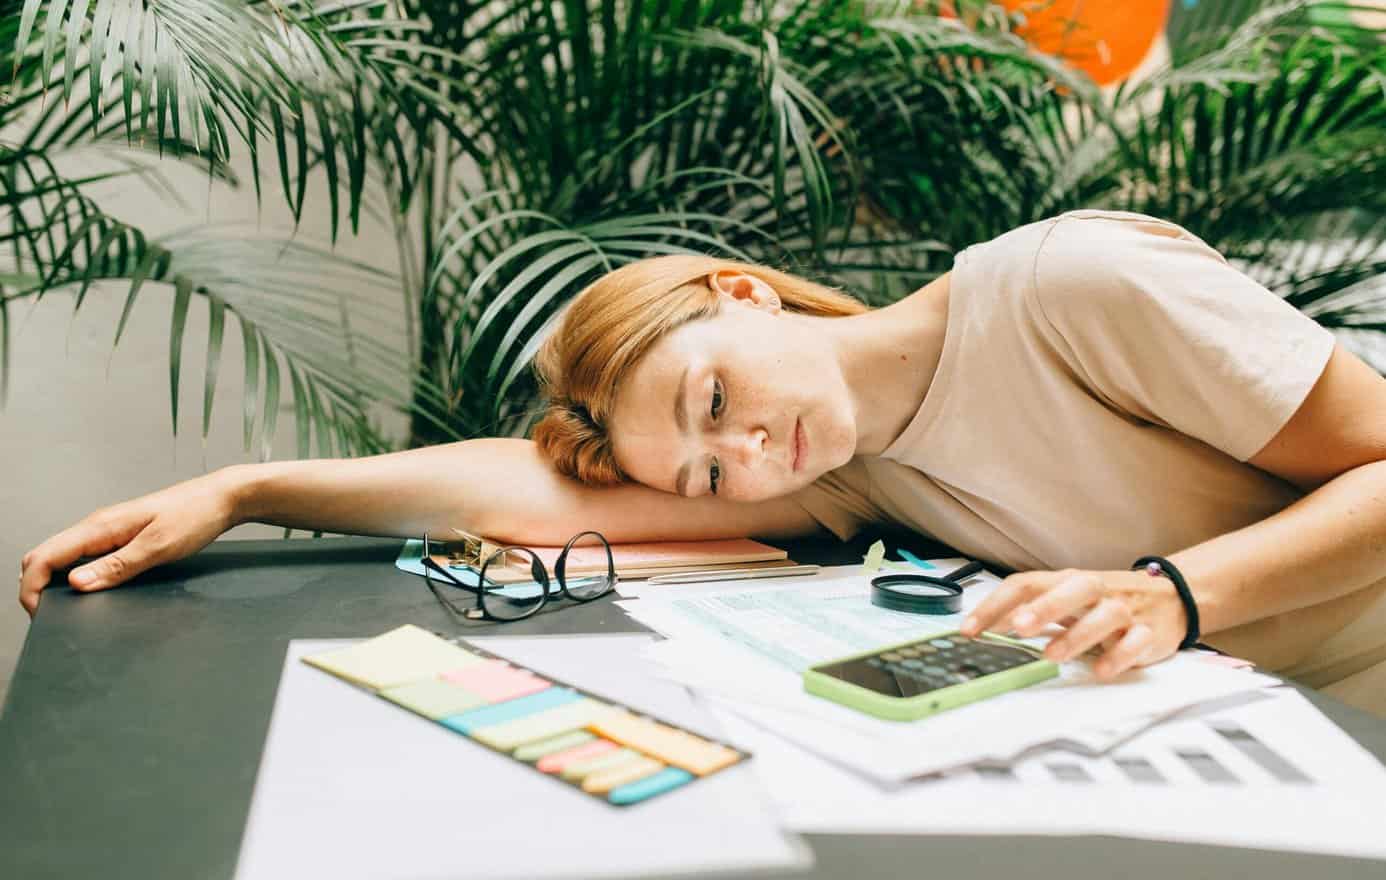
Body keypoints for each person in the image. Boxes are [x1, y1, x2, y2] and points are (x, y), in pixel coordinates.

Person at [18, 209, 1386, 717]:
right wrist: (251, 489)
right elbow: (514, 483)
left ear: (740, 292)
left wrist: (1171, 593)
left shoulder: (1068, 288)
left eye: (715, 396)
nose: (743, 453)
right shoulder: (862, 474)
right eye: (710, 474)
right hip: (1257, 738)